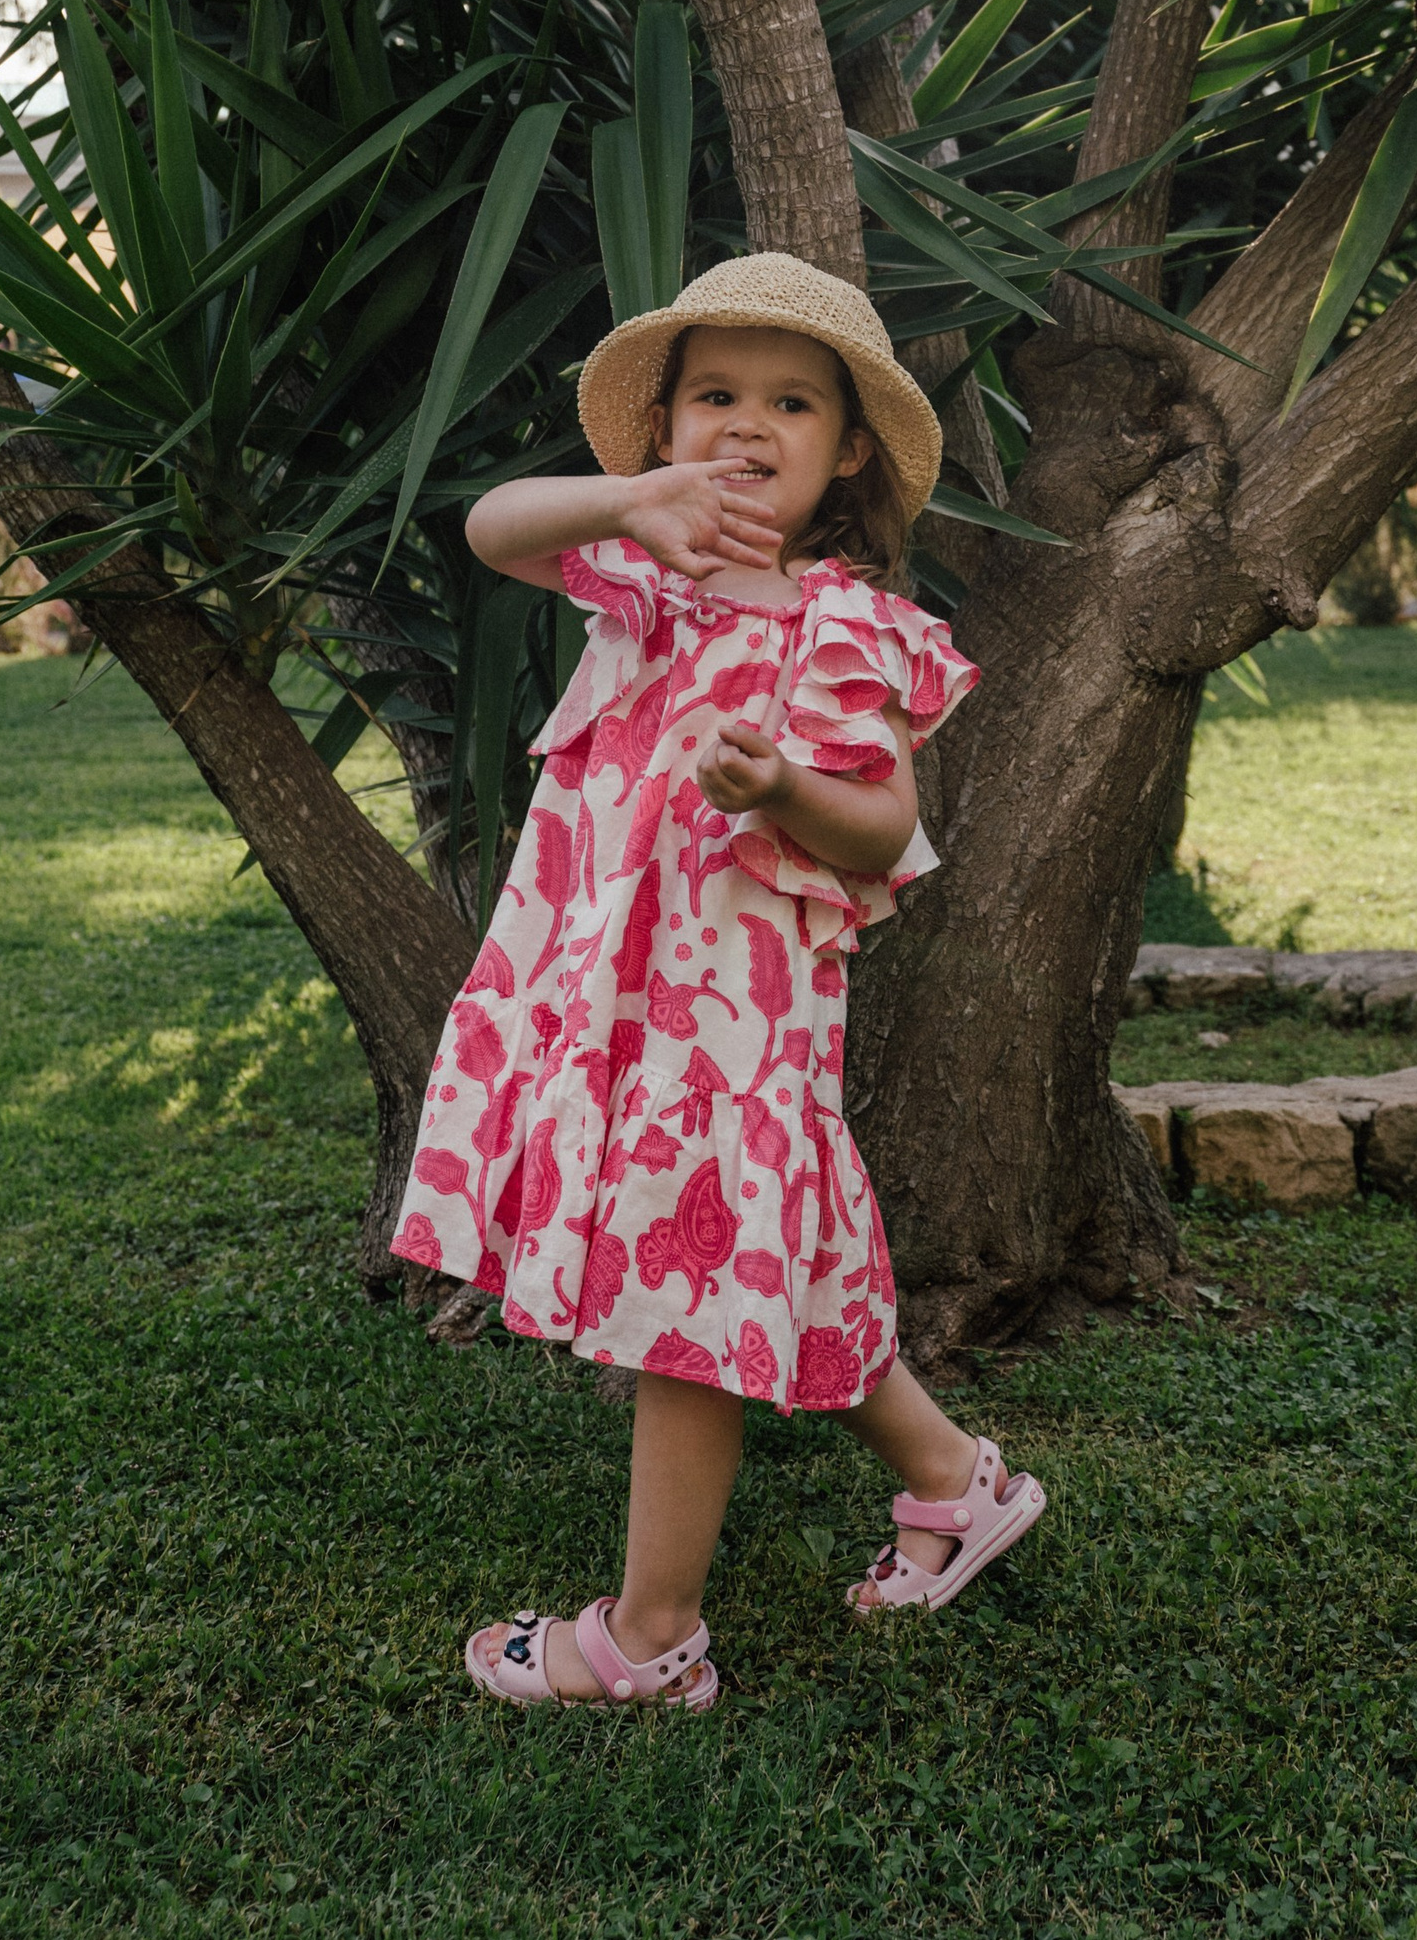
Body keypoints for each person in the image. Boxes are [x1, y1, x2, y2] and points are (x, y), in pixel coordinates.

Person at [390, 251, 1046, 1713]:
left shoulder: (844, 625)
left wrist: (787, 785)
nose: (749, 426)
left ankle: (649, 1634)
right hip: (613, 999)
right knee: (782, 1258)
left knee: (687, 1278)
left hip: (728, 1026)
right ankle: (955, 1483)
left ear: (848, 450)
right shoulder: (641, 560)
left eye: (792, 403)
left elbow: (886, 824)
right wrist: (629, 500)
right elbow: (491, 523)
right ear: (668, 423)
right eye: (716, 396)